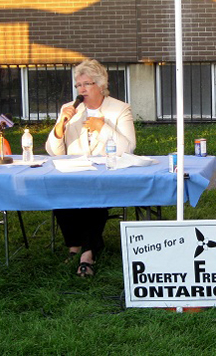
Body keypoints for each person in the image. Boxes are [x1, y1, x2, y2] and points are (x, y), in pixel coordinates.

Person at [46, 59, 136, 276]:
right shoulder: (70, 109)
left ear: (100, 85)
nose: (81, 89)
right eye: (78, 85)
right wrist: (60, 128)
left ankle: (87, 252)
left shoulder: (120, 109)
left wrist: (103, 128)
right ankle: (74, 245)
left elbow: (129, 148)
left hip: (105, 174)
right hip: (74, 172)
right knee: (60, 192)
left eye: (87, 84)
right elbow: (54, 151)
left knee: (93, 198)